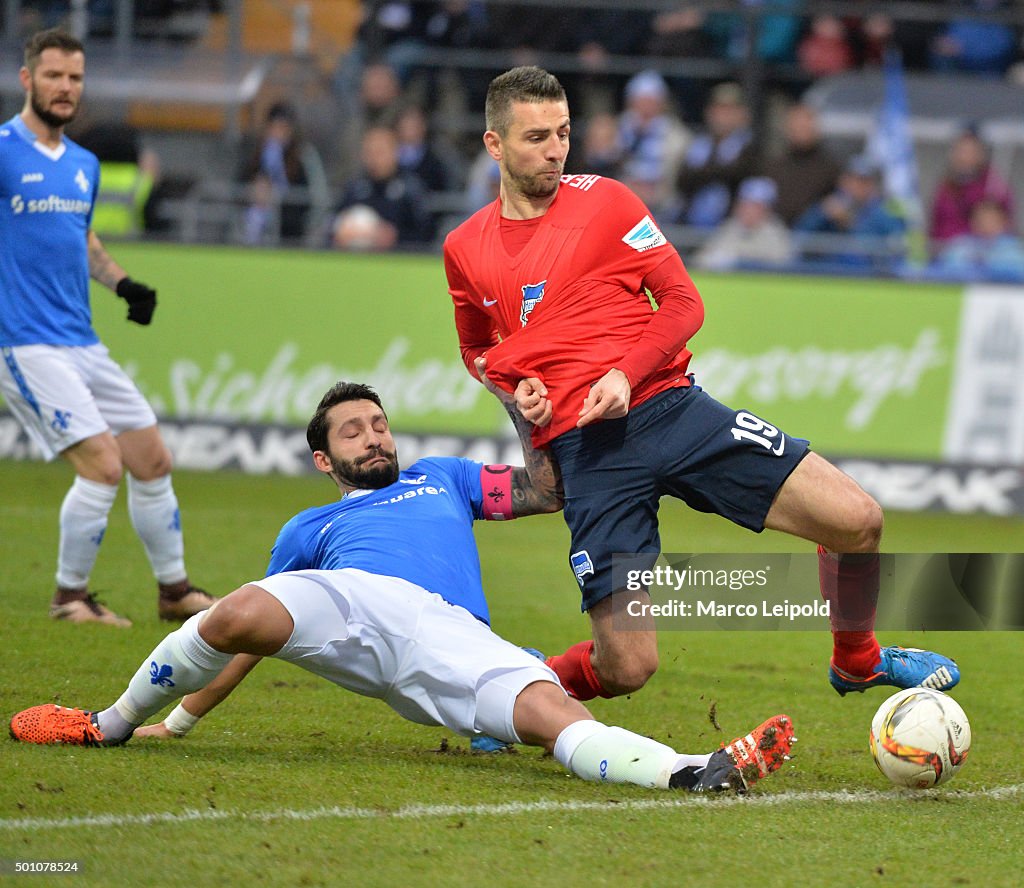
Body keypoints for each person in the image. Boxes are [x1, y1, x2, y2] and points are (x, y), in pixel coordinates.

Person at [444, 66, 959, 704]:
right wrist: (517, 386)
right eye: (537, 138)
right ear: (495, 145)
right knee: (627, 666)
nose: (556, 150)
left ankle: (857, 660)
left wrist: (624, 375)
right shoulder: (466, 247)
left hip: (674, 412)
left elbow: (684, 304)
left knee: (859, 521)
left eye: (565, 133)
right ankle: (513, 690)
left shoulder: (608, 202)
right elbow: (477, 351)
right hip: (589, 452)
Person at [8, 379, 796, 795]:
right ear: (326, 460)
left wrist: (519, 413)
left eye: (378, 424)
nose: (373, 436)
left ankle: (693, 772)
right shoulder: (311, 530)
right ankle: (109, 724)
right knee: (239, 608)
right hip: (352, 602)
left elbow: (545, 491)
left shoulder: (440, 479)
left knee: (552, 714)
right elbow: (245, 640)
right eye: (352, 432)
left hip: (449, 639)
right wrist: (175, 725)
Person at [0, 29, 214, 627]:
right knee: (102, 464)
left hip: (82, 340)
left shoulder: (84, 165)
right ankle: (70, 599)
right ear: (27, 80)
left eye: (74, 78)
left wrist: (123, 284)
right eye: (53, 76)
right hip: (26, 342)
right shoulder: (2, 150)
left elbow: (83, 240)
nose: (65, 88)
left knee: (151, 460)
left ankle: (174, 592)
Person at [793, 154, 906, 269]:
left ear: (872, 185)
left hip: (869, 277)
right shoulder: (833, 204)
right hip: (829, 274)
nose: (855, 186)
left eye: (862, 181)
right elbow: (800, 238)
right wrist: (821, 214)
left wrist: (850, 223)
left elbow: (896, 251)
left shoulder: (885, 212)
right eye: (851, 179)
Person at [929, 127, 1015, 245]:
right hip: (947, 251)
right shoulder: (945, 186)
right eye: (961, 150)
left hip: (983, 250)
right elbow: (937, 224)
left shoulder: (992, 185)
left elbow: (1001, 222)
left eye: (970, 151)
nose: (965, 157)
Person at [761, 103, 842, 228]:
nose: (801, 130)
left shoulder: (830, 167)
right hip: (777, 232)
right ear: (787, 129)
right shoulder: (773, 165)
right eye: (796, 126)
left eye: (805, 126)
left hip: (814, 236)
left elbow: (838, 205)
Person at [692, 176, 794, 271]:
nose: (748, 210)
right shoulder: (729, 227)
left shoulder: (775, 232)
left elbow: (781, 265)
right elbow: (701, 260)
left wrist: (739, 261)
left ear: (767, 209)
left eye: (756, 206)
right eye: (745, 204)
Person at [934, 198, 1024, 281]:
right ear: (972, 222)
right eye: (981, 220)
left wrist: (985, 266)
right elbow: (944, 267)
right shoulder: (960, 244)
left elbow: (1018, 270)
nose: (986, 225)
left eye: (991, 220)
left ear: (1003, 223)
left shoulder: (1012, 247)